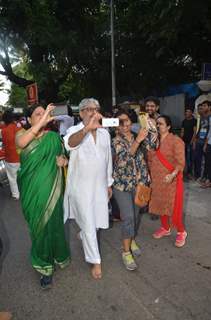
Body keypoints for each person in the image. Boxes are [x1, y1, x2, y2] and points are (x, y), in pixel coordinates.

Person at [16, 103, 70, 289]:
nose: (43, 116)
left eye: (45, 113)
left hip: (53, 191)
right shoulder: (22, 137)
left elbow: (63, 156)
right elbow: (23, 144)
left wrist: (63, 161)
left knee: (54, 227)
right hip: (32, 193)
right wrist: (42, 121)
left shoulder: (54, 137)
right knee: (38, 230)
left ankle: (57, 256)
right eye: (37, 114)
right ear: (29, 119)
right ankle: (43, 266)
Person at [63, 98, 113, 280]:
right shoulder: (74, 130)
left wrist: (109, 183)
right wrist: (86, 129)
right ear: (82, 112)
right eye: (89, 109)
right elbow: (69, 144)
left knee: (97, 219)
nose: (93, 112)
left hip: (99, 186)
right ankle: (95, 261)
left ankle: (84, 233)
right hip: (80, 187)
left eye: (96, 109)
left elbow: (107, 160)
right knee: (90, 223)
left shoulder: (105, 133)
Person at [112, 110, 157, 271]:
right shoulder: (116, 141)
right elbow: (124, 159)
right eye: (121, 122)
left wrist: (151, 129)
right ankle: (126, 252)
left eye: (127, 121)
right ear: (116, 125)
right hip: (122, 185)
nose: (125, 125)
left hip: (139, 184)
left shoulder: (138, 134)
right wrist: (137, 141)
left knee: (136, 216)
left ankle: (131, 239)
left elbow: (153, 146)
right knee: (129, 217)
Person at [148, 115, 187, 247]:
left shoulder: (176, 141)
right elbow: (150, 159)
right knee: (160, 205)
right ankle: (165, 228)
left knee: (174, 207)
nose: (158, 126)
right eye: (157, 124)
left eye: (161, 124)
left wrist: (172, 175)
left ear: (169, 126)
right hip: (157, 179)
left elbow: (181, 162)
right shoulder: (154, 140)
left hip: (172, 179)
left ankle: (181, 232)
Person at [1, 110, 21, 200]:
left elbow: (5, 145)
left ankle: (16, 195)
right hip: (21, 156)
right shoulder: (19, 128)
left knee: (12, 178)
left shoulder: (4, 131)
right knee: (21, 176)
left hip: (11, 158)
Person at [193, 100, 210, 181]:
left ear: (209, 107)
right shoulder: (202, 117)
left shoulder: (210, 117)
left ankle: (206, 177)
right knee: (197, 159)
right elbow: (199, 129)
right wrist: (195, 140)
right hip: (199, 141)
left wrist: (206, 143)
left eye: (204, 106)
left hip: (206, 142)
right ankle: (199, 176)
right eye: (202, 106)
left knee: (207, 161)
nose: (203, 107)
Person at [180, 108, 197, 178]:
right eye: (186, 112)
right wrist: (180, 140)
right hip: (184, 142)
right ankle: (185, 172)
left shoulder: (194, 121)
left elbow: (195, 132)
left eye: (188, 112)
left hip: (190, 142)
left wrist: (192, 141)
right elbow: (182, 131)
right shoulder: (184, 121)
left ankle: (190, 173)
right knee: (184, 157)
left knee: (190, 158)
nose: (187, 113)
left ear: (191, 113)